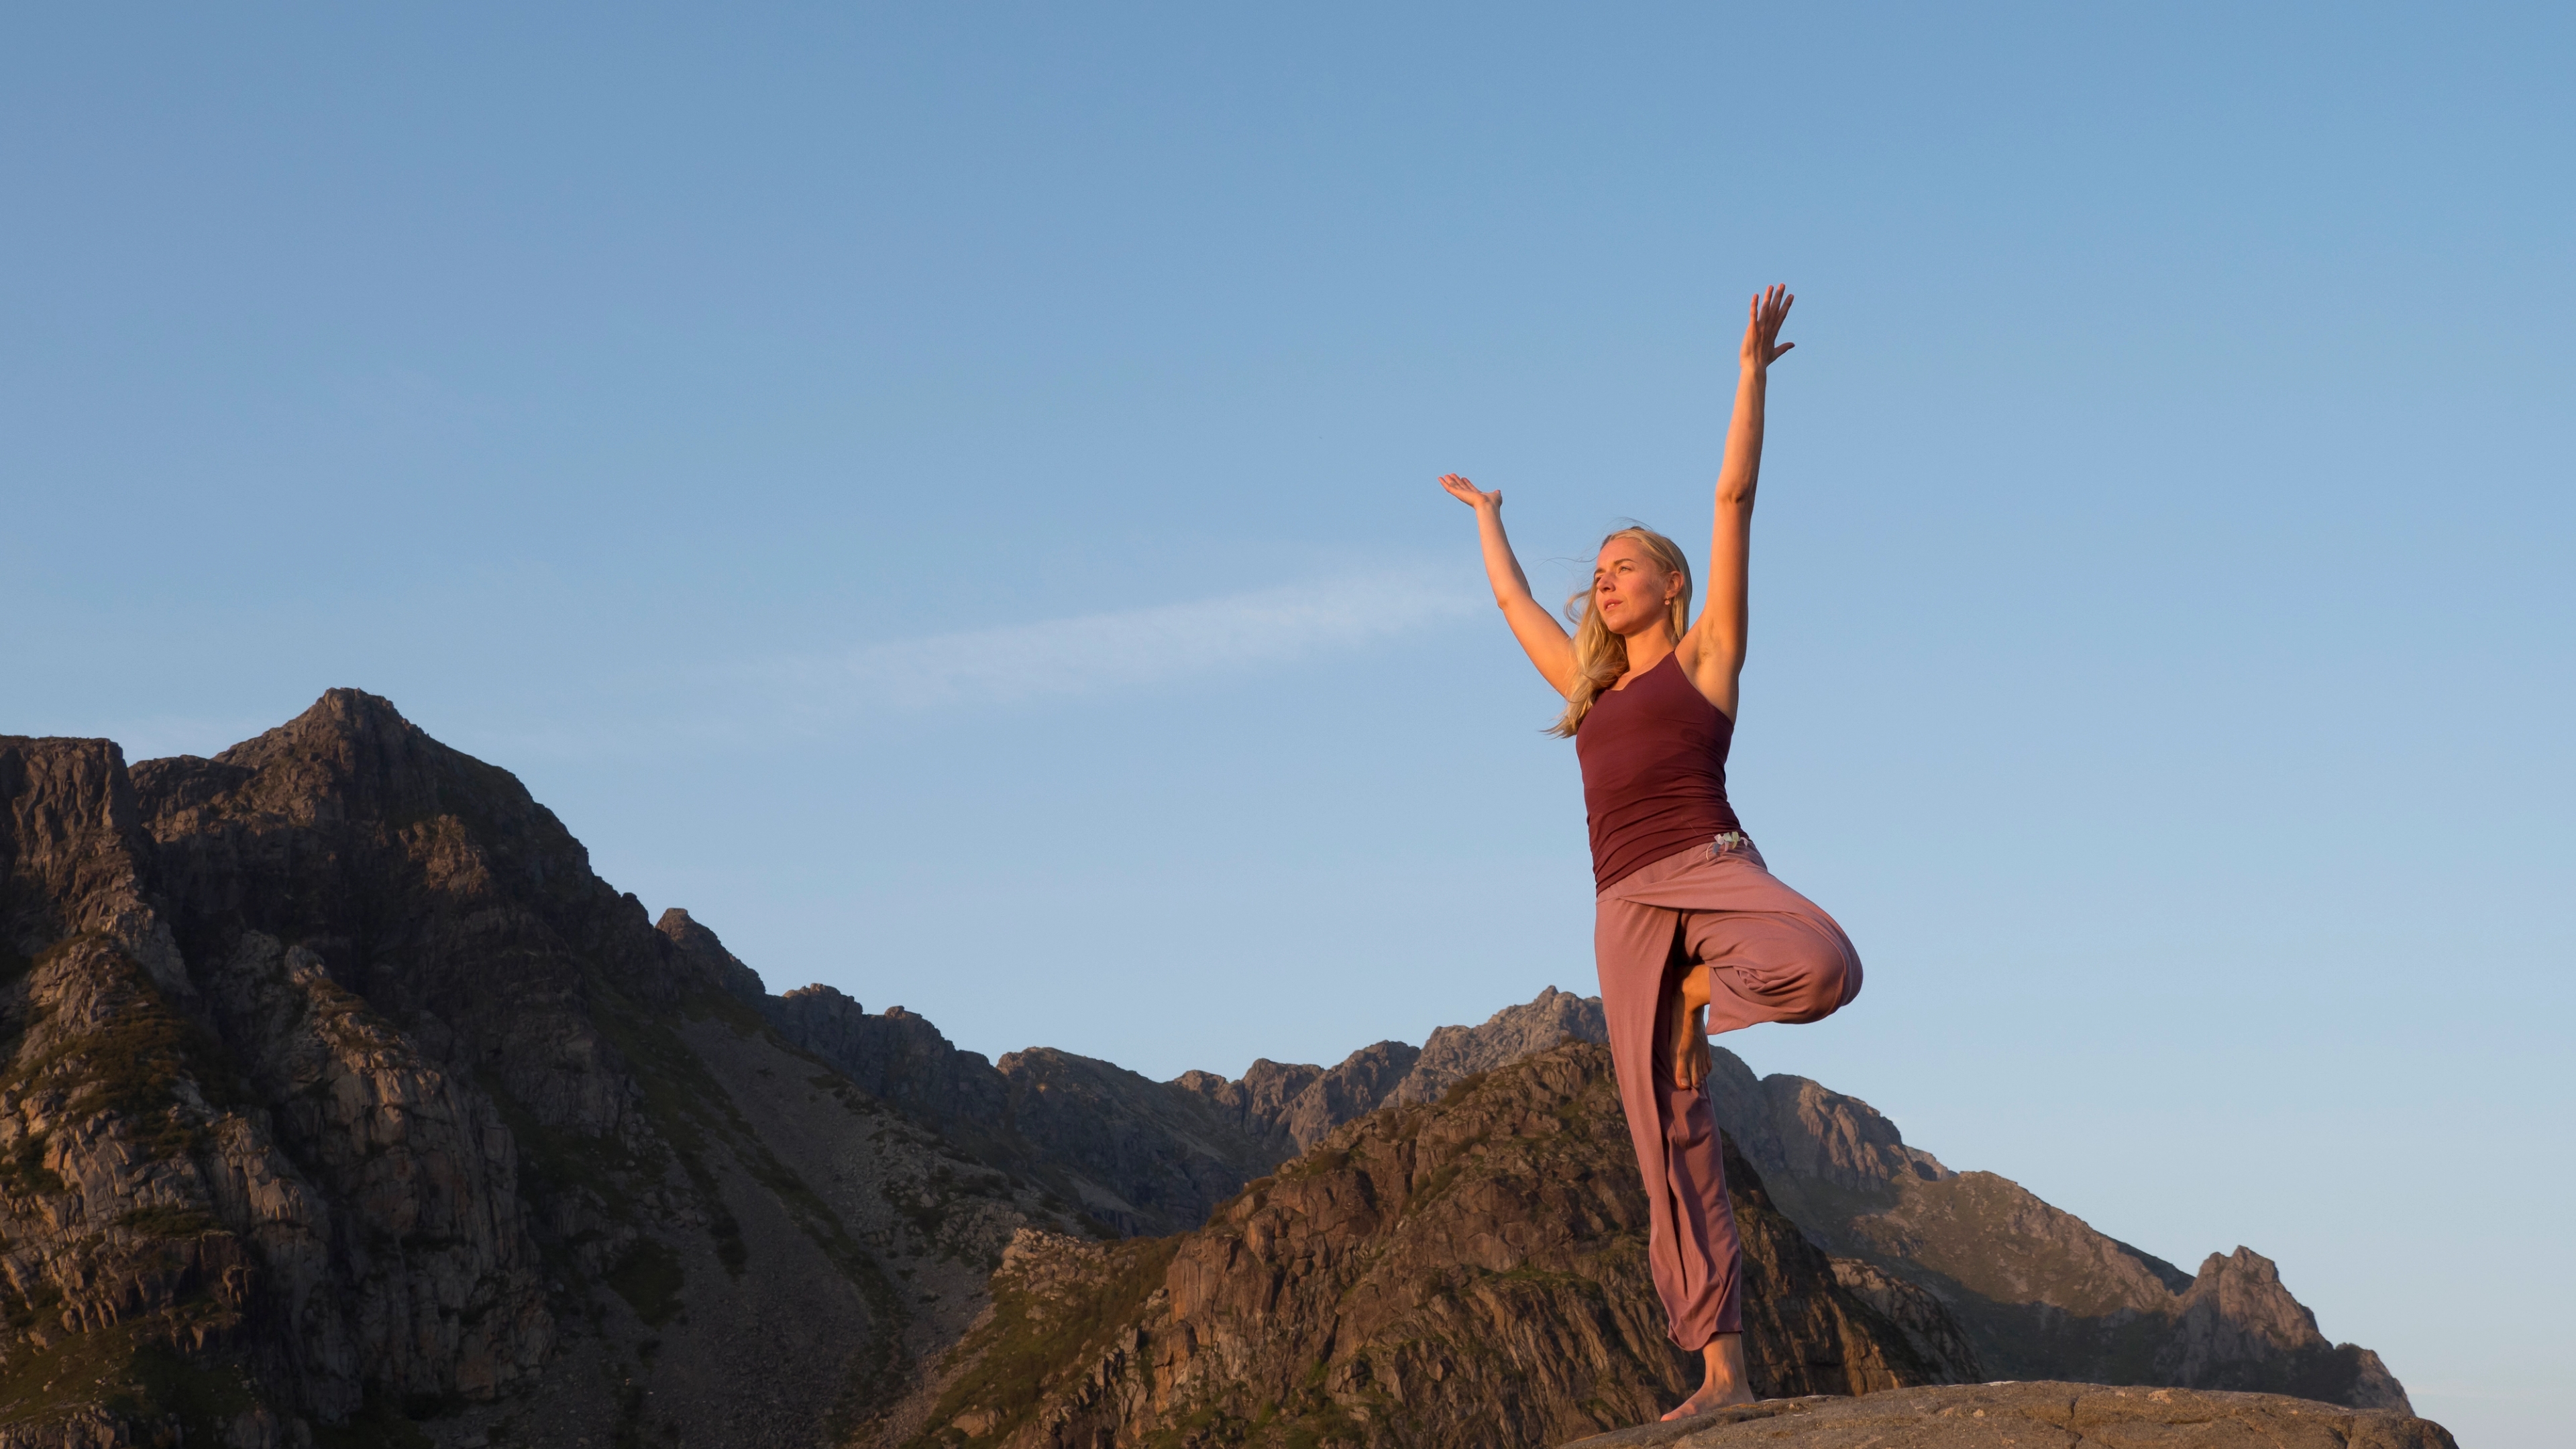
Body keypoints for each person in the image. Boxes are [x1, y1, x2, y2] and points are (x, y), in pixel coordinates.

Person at [1437, 285, 1862, 1421]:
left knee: (1825, 963)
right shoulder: (1588, 691)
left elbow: (1734, 496)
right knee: (1669, 1134)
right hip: (1623, 908)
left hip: (1711, 865)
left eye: (1625, 564)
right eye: (1601, 571)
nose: (1604, 578)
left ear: (1670, 583)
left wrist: (1751, 374)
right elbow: (1517, 601)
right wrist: (1487, 513)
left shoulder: (1708, 658)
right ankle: (1720, 1370)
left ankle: (1702, 990)